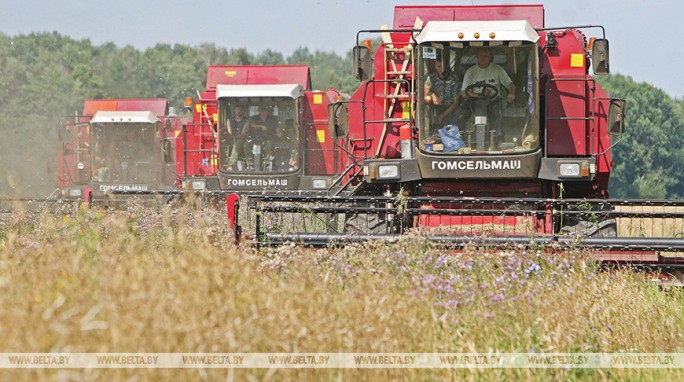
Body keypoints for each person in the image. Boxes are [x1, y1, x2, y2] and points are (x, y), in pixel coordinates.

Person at [459, 48, 516, 137]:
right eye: (481, 55)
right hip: (474, 101)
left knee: (496, 117)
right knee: (461, 114)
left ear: (490, 57)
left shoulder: (497, 69)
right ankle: (463, 135)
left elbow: (510, 84)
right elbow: (463, 92)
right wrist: (480, 95)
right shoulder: (471, 71)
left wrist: (511, 93)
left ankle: (497, 138)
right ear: (477, 57)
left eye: (486, 56)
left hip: (493, 101)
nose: (483, 58)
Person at [424, 59, 461, 125]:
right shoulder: (432, 77)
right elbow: (425, 89)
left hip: (451, 109)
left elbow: (456, 102)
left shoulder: (455, 79)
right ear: (435, 66)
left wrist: (442, 116)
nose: (442, 69)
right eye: (439, 67)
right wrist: (433, 95)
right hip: (435, 107)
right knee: (425, 105)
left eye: (443, 67)